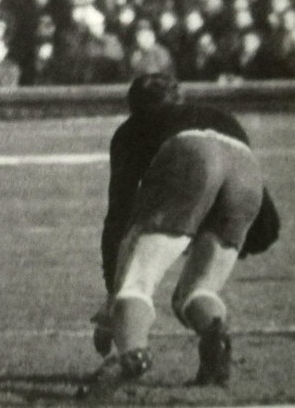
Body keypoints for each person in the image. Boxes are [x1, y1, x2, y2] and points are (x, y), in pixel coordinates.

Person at [81, 74, 280, 399]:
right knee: (196, 291)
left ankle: (133, 354)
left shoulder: (133, 129)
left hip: (190, 156)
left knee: (136, 285)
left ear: (134, 106)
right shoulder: (222, 117)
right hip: (246, 173)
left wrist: (111, 296)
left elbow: (119, 212)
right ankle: (215, 333)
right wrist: (227, 239)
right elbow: (267, 219)